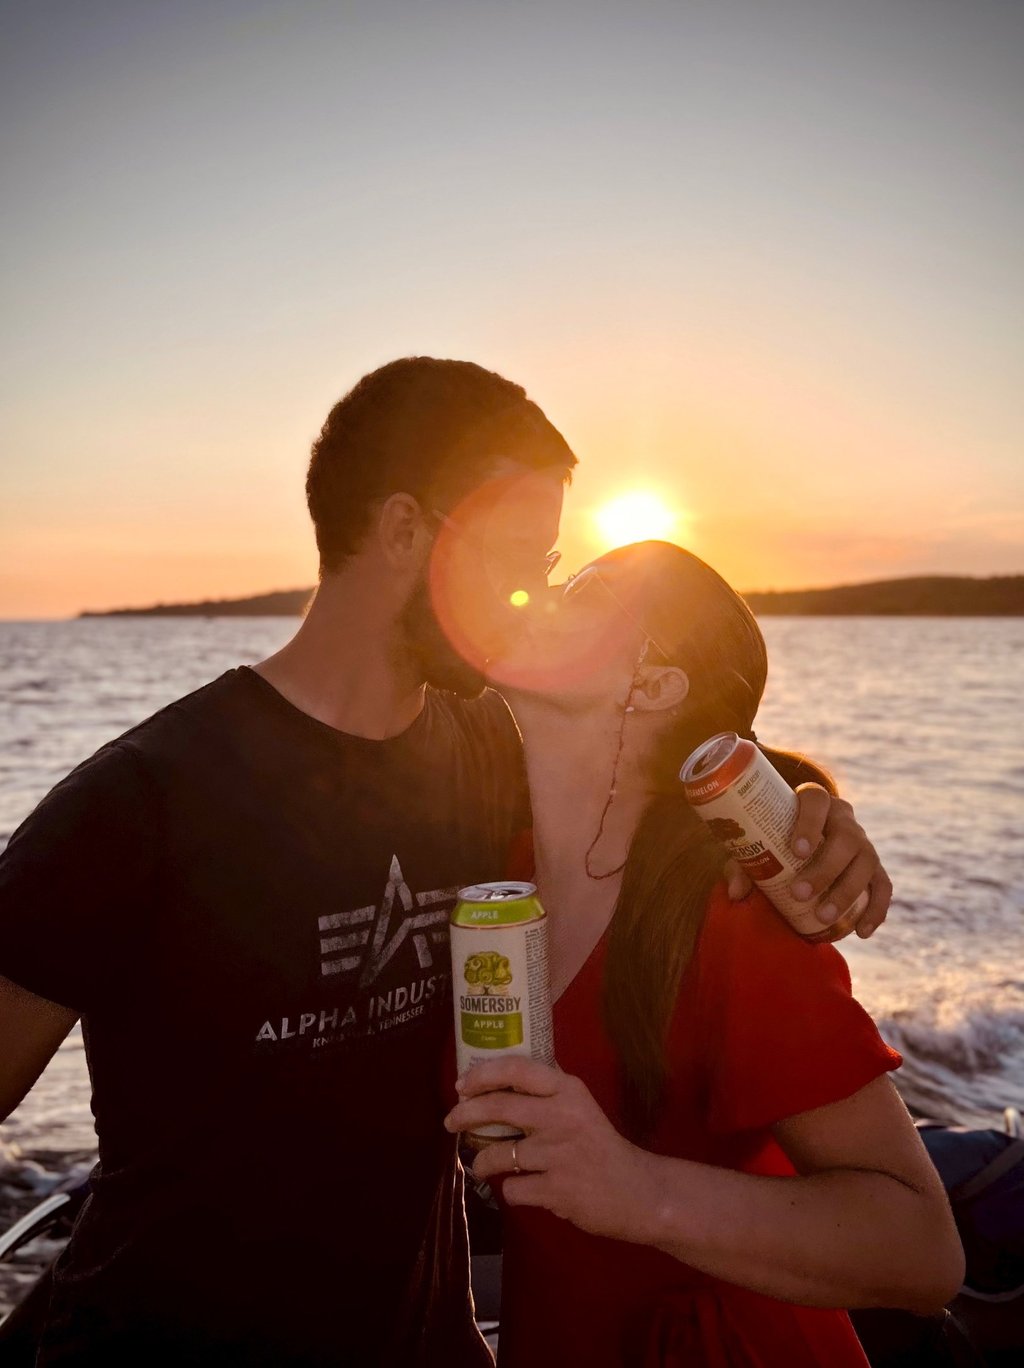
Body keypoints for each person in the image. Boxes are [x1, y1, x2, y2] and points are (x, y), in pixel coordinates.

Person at [0, 359, 890, 1367]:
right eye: (523, 554)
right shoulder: (137, 801)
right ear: (406, 533)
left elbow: (647, 778)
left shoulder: (482, 759)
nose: (529, 595)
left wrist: (809, 815)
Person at [445, 540, 965, 1367]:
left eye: (589, 594)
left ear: (652, 685)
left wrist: (636, 1190)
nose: (537, 593)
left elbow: (923, 1252)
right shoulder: (493, 880)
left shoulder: (727, 912)